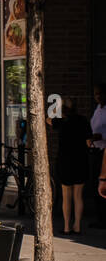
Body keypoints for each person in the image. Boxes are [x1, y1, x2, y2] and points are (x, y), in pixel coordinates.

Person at [49, 97, 92, 235]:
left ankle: (67, 226)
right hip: (81, 160)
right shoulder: (83, 120)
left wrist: (56, 108)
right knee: (78, 195)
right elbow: (89, 143)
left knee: (66, 195)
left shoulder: (60, 122)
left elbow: (47, 119)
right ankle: (77, 225)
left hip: (64, 161)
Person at [90, 84, 106, 226]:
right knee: (95, 183)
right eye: (96, 94)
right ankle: (99, 217)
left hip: (104, 151)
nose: (98, 96)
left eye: (100, 93)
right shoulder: (98, 110)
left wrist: (101, 136)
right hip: (96, 150)